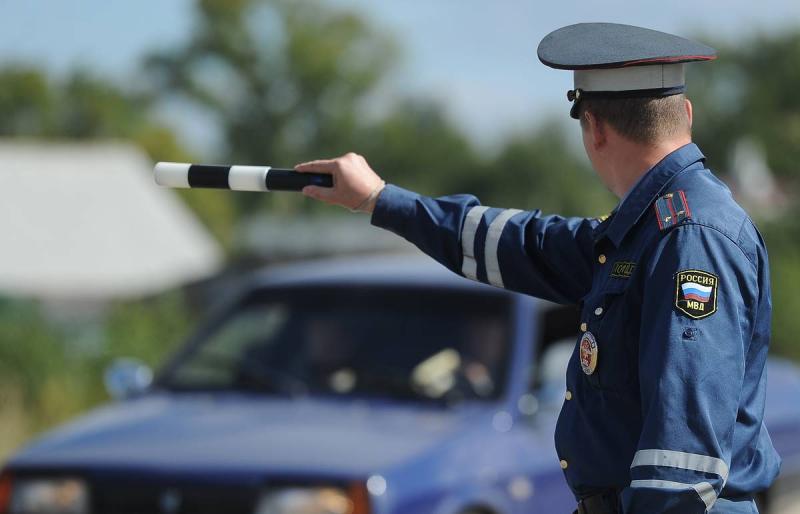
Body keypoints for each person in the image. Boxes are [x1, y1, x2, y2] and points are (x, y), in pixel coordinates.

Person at [293, 22, 780, 514]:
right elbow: (524, 244)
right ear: (686, 114)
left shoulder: (687, 236)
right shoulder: (650, 229)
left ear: (594, 128)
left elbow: (682, 463)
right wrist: (379, 199)